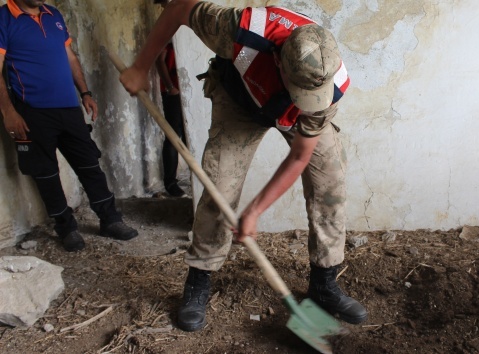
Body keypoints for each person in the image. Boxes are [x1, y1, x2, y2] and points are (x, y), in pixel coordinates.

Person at [120, 0, 368, 332]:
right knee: (219, 186)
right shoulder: (241, 29)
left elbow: (300, 156)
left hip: (294, 116)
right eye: (299, 91)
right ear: (278, 60)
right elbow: (180, 8)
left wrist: (255, 210)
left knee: (330, 182)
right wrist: (141, 66)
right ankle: (200, 276)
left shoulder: (328, 83)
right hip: (241, 98)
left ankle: (324, 282)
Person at [0, 0, 138, 252]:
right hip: (32, 111)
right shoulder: (4, 18)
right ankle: (67, 229)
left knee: (89, 164)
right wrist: (8, 112)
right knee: (46, 174)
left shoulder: (53, 14)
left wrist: (85, 92)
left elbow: (69, 57)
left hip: (68, 107)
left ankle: (110, 220)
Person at [154, 0, 186, 197]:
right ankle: (170, 183)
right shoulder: (166, 24)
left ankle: (195, 180)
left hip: (188, 91)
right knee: (174, 136)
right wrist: (170, 87)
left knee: (189, 136)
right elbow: (159, 59)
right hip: (174, 90)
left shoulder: (184, 24)